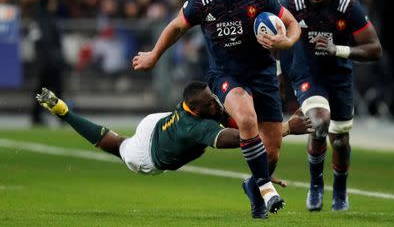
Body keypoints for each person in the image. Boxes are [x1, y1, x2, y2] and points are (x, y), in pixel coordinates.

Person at [132, 0, 301, 218]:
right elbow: (176, 27)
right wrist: (153, 55)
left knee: (272, 151)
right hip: (225, 75)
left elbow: (292, 24)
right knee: (246, 119)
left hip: (263, 74)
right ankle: (267, 190)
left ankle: (254, 186)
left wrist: (286, 40)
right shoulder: (202, 2)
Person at [35, 81, 312, 178]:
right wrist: (287, 128)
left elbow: (240, 128)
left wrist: (261, 169)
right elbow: (242, 139)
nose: (215, 103)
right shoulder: (195, 127)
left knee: (235, 115)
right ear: (197, 109)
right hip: (147, 155)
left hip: (157, 122)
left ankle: (65, 111)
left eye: (213, 98)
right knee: (118, 145)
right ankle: (64, 111)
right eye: (210, 103)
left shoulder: (198, 105)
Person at [279, 0, 382, 212]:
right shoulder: (292, 5)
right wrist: (280, 72)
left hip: (339, 78)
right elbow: (271, 32)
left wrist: (339, 50)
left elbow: (374, 49)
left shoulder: (348, 8)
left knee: (339, 142)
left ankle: (340, 189)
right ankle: (315, 186)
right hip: (307, 76)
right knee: (318, 122)